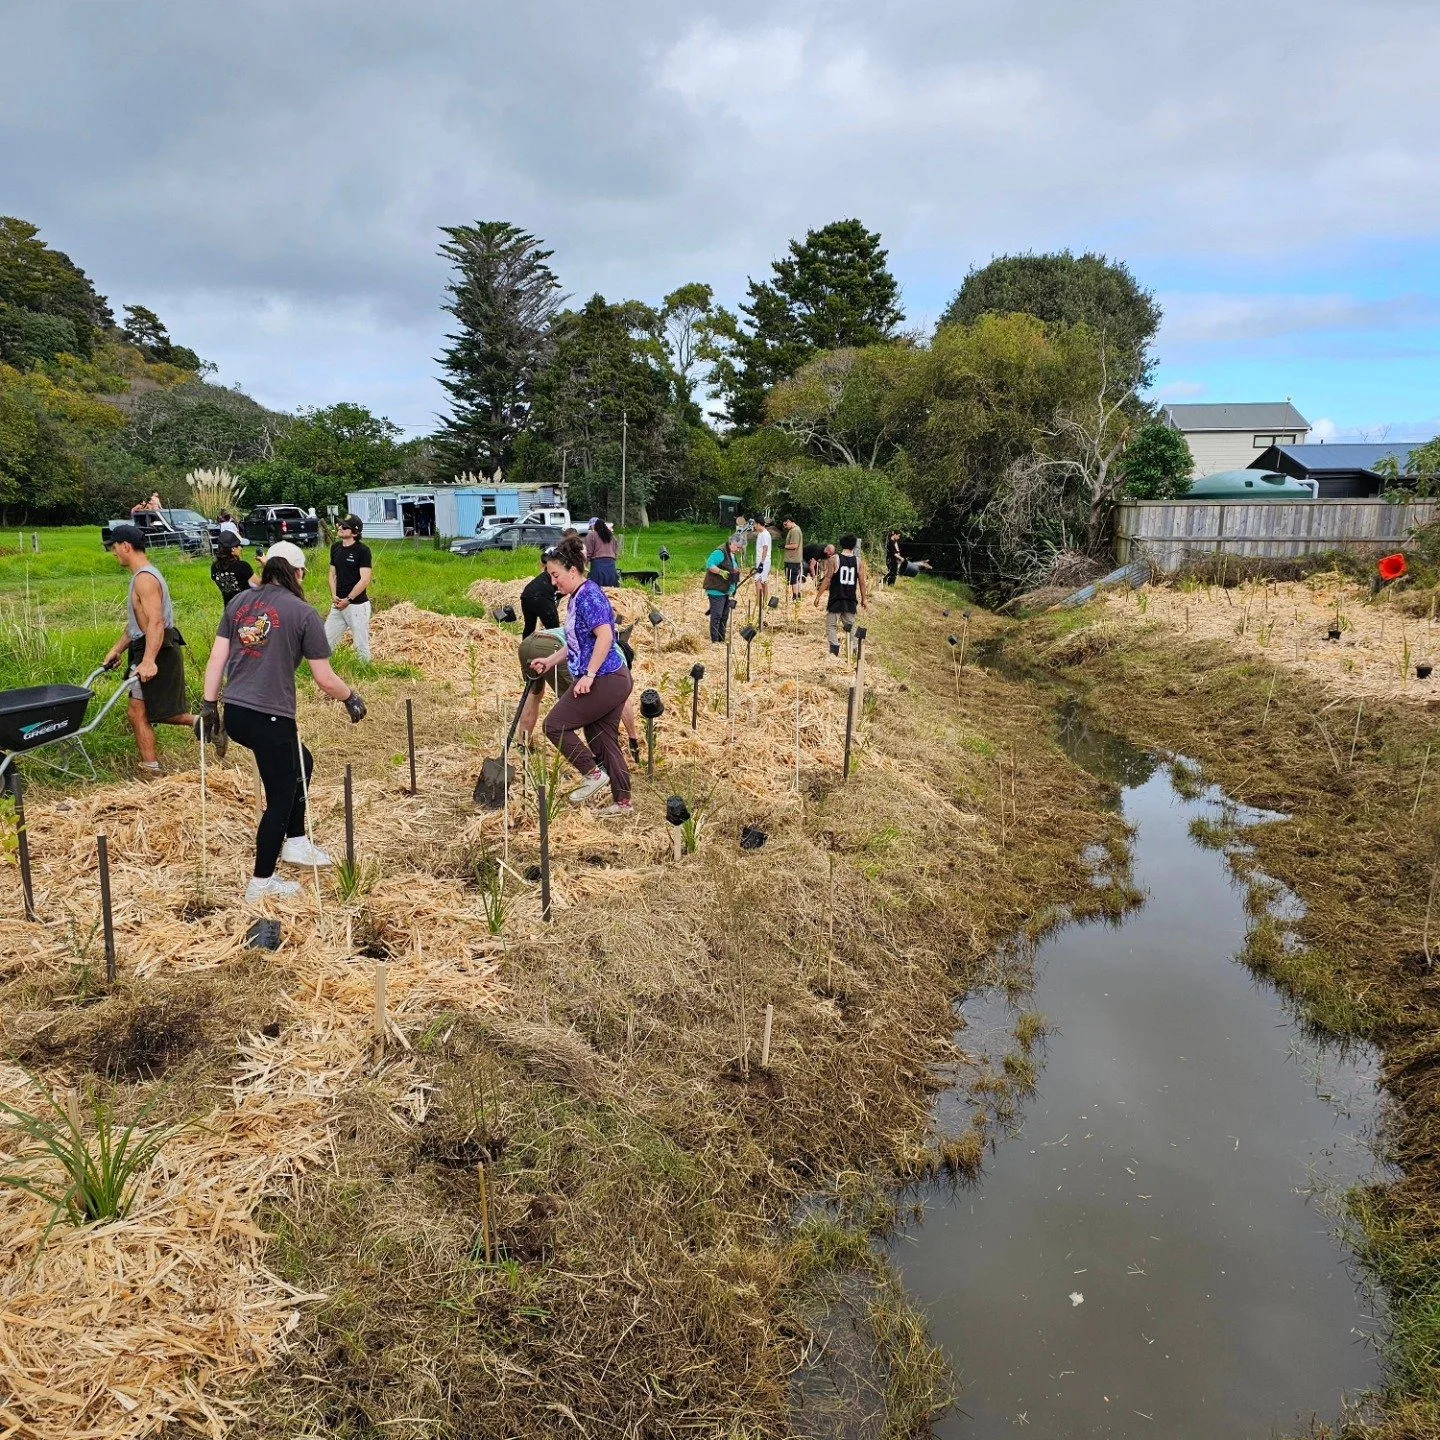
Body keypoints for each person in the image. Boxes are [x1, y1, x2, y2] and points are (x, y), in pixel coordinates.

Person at [198, 541, 367, 903]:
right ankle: (261, 884)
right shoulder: (303, 612)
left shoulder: (239, 602)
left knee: (302, 761)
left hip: (237, 713)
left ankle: (297, 842)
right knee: (280, 797)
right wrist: (350, 697)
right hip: (270, 716)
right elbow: (325, 678)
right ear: (298, 573)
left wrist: (209, 705)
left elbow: (216, 658)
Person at [528, 536, 633, 816]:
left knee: (554, 725)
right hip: (612, 678)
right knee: (601, 738)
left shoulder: (589, 596)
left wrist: (588, 675)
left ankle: (593, 774)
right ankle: (623, 802)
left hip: (605, 678)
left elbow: (605, 637)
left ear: (572, 571)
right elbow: (577, 643)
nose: (553, 582)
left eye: (556, 575)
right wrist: (550, 661)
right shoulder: (577, 597)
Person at [101, 524, 196, 779]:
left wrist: (149, 660)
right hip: (149, 645)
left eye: (114, 547)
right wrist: (117, 649)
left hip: (157, 647)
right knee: (143, 710)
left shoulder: (144, 579)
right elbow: (138, 624)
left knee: (145, 711)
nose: (114, 553)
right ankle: (201, 724)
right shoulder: (141, 576)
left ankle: (152, 769)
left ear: (126, 546)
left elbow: (155, 622)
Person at [325, 515, 373, 664]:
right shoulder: (335, 548)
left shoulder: (363, 551)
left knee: (361, 644)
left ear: (355, 533)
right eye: (339, 524)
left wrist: (348, 599)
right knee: (325, 640)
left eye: (345, 526)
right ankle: (322, 668)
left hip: (357, 605)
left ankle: (365, 670)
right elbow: (332, 574)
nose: (340, 527)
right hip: (338, 604)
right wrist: (334, 595)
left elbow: (365, 579)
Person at [815, 534, 868, 656]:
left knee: (831, 625)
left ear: (841, 544)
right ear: (854, 546)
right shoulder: (858, 561)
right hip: (850, 599)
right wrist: (864, 599)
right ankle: (854, 651)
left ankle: (834, 650)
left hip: (836, 598)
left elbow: (827, 579)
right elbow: (862, 582)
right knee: (851, 626)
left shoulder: (835, 559)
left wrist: (818, 596)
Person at [702, 534, 742, 644]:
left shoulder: (731, 554)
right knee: (717, 616)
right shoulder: (720, 552)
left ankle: (721, 640)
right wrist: (720, 572)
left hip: (726, 590)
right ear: (732, 543)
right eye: (738, 547)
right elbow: (710, 564)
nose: (738, 550)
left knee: (724, 616)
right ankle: (715, 641)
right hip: (716, 589)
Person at [210, 537, 254, 606]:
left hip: (229, 608)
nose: (241, 548)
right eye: (239, 546)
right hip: (246, 607)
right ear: (233, 548)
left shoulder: (214, 566)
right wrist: (265, 564)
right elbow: (260, 585)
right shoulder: (243, 566)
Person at [583, 518, 621, 588]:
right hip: (611, 567)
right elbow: (616, 552)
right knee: (611, 590)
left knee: (597, 589)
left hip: (598, 567)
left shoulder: (591, 536)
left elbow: (588, 553)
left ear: (595, 526)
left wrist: (584, 566)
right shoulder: (612, 537)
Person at [753, 517, 773, 614]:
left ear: (758, 524)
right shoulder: (761, 534)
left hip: (764, 561)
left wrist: (761, 562)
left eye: (755, 524)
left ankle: (759, 602)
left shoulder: (765, 534)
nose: (754, 526)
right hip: (762, 561)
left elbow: (765, 548)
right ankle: (764, 601)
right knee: (764, 581)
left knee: (758, 581)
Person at [782, 518, 804, 600]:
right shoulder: (794, 529)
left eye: (785, 524)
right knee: (794, 579)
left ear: (789, 521)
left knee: (793, 579)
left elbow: (794, 545)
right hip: (793, 559)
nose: (785, 527)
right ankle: (797, 595)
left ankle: (795, 596)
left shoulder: (795, 531)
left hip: (793, 560)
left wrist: (784, 546)